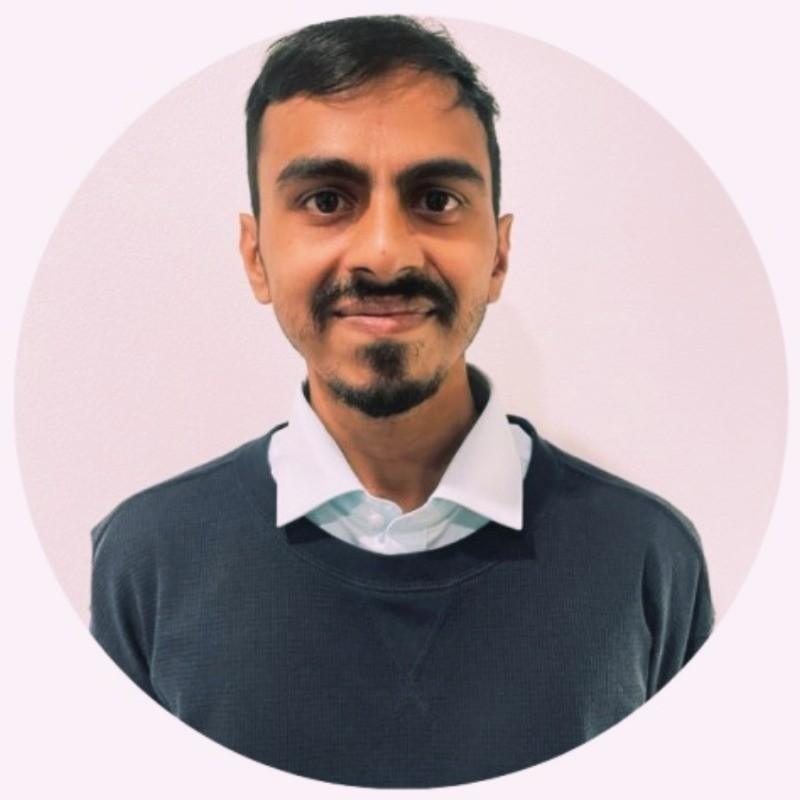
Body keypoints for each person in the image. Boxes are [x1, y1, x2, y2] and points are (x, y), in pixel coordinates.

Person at [90, 15, 714, 788]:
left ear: (499, 254)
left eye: (436, 199)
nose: (385, 252)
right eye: (326, 199)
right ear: (256, 257)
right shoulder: (146, 561)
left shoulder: (648, 559)